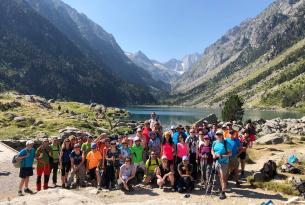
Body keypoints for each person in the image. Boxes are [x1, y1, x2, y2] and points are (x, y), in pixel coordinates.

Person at [211, 130, 232, 200]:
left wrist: (222, 156)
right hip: (217, 162)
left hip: (224, 162)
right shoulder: (214, 142)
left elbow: (230, 153)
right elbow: (212, 150)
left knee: (223, 177)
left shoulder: (226, 143)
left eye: (220, 134)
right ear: (216, 135)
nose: (219, 136)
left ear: (222, 135)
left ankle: (223, 192)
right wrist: (214, 155)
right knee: (220, 177)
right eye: (217, 134)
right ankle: (222, 189)